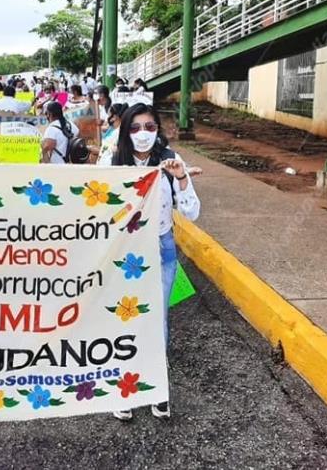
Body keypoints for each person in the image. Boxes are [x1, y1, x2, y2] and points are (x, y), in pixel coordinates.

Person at [110, 102, 200, 422]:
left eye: (150, 127)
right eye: (135, 128)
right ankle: (126, 387)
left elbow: (191, 212)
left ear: (158, 130)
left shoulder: (170, 160)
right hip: (124, 253)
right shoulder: (114, 162)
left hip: (162, 250)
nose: (143, 134)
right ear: (125, 132)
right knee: (126, 319)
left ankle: (156, 389)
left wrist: (183, 179)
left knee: (157, 320)